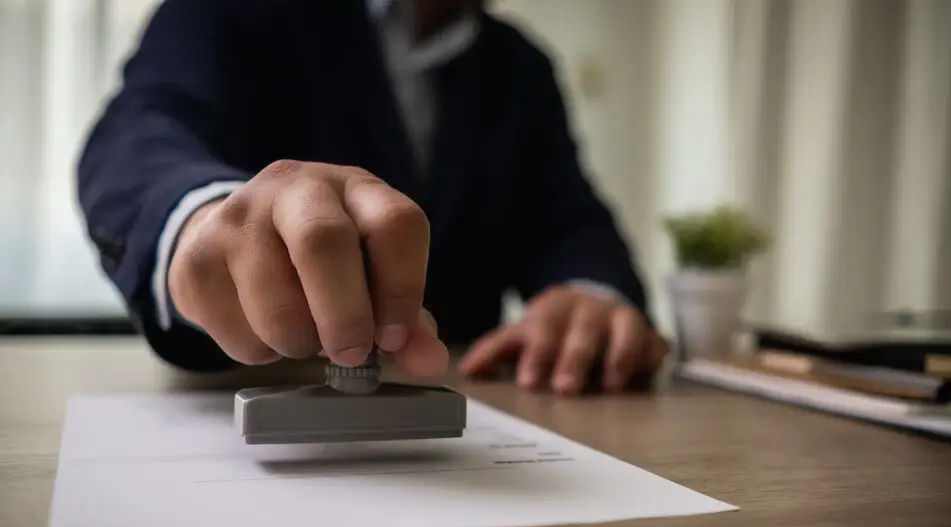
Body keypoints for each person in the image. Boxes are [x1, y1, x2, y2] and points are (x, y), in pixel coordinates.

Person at [77, 0, 668, 395]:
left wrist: (591, 294)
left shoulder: (519, 67)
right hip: (249, 402)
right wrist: (202, 217)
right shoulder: (228, 10)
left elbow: (568, 218)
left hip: (468, 428)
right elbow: (142, 132)